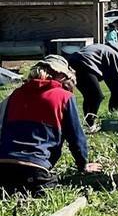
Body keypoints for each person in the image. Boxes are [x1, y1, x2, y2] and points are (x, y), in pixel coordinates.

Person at [0, 55, 99, 194]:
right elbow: (76, 137)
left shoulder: (15, 94)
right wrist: (83, 165)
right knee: (54, 187)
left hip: (3, 165)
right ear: (60, 74)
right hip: (35, 166)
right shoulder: (64, 97)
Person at [67, 41, 118, 131]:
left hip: (73, 61)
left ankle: (87, 123)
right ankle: (90, 125)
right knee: (97, 96)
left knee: (88, 96)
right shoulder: (117, 55)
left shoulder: (104, 48)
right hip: (85, 64)